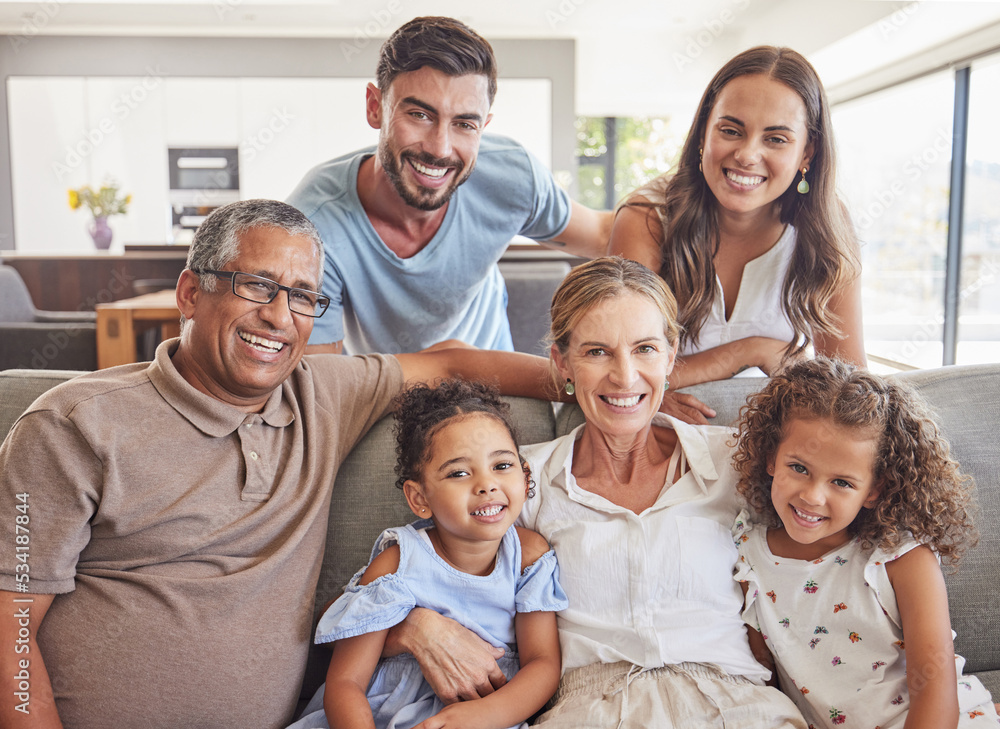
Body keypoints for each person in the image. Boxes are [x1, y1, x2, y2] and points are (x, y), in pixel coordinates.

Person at [0, 199, 564, 729]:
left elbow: (449, 362)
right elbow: (10, 626)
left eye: (302, 296)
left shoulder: (321, 395)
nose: (279, 316)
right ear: (191, 293)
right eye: (258, 286)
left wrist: (586, 385)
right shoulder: (71, 427)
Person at [390, 257, 807, 727]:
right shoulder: (518, 483)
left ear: (671, 356)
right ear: (562, 363)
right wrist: (413, 626)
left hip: (737, 708)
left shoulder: (738, 462)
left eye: (645, 349)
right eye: (596, 352)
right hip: (592, 711)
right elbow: (382, 588)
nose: (625, 377)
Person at [287, 15, 612, 358]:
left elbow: (607, 234)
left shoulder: (512, 175)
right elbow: (325, 384)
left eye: (464, 124)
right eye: (419, 115)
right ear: (375, 107)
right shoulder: (311, 226)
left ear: (483, 127)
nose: (440, 149)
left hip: (497, 378)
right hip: (381, 390)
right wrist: (451, 364)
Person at [731, 357, 998, 728]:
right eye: (799, 468)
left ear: (874, 490)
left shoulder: (902, 559)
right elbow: (765, 683)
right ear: (771, 457)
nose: (812, 496)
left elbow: (936, 691)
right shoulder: (747, 555)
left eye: (841, 482)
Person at [288, 379, 567, 729]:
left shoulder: (529, 556)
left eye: (502, 466)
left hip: (488, 714)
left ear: (526, 479)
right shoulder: (397, 562)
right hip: (380, 714)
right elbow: (346, 682)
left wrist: (482, 716)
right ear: (419, 498)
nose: (486, 484)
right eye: (459, 473)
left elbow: (542, 664)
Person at [609, 46, 865, 408]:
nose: (747, 155)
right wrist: (750, 351)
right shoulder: (646, 218)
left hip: (775, 436)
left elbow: (849, 387)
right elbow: (621, 373)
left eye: (776, 139)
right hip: (664, 430)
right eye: (731, 130)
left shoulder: (827, 224)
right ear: (703, 135)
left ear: (807, 153)